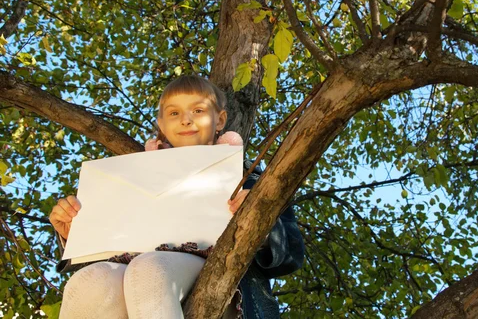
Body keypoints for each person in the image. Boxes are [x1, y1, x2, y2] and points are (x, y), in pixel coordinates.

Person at [49, 75, 305, 319]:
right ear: (161, 126)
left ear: (220, 120)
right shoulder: (130, 179)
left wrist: (259, 219)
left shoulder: (248, 177)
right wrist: (73, 232)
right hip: (136, 287)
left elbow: (291, 253)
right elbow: (110, 246)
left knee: (149, 268)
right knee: (90, 280)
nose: (186, 120)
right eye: (174, 113)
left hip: (219, 286)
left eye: (198, 111)